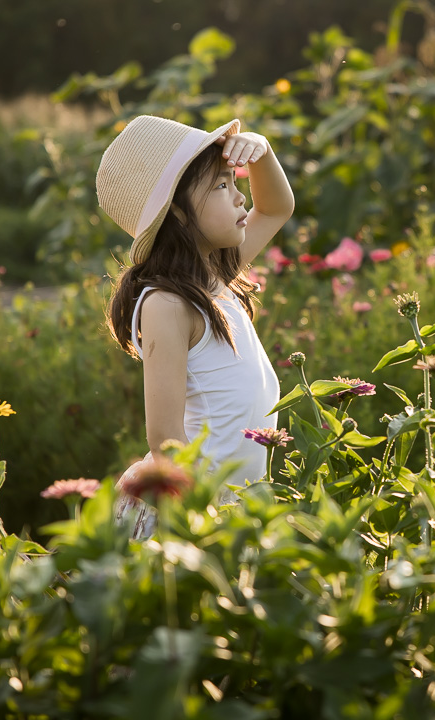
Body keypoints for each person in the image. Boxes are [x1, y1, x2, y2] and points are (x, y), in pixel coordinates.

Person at [95, 115, 294, 538]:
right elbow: (165, 439)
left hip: (231, 505)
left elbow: (277, 207)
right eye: (222, 187)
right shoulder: (168, 303)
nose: (240, 198)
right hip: (186, 509)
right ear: (178, 215)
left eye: (233, 181)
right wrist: (206, 520)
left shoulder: (215, 278)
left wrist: (261, 152)